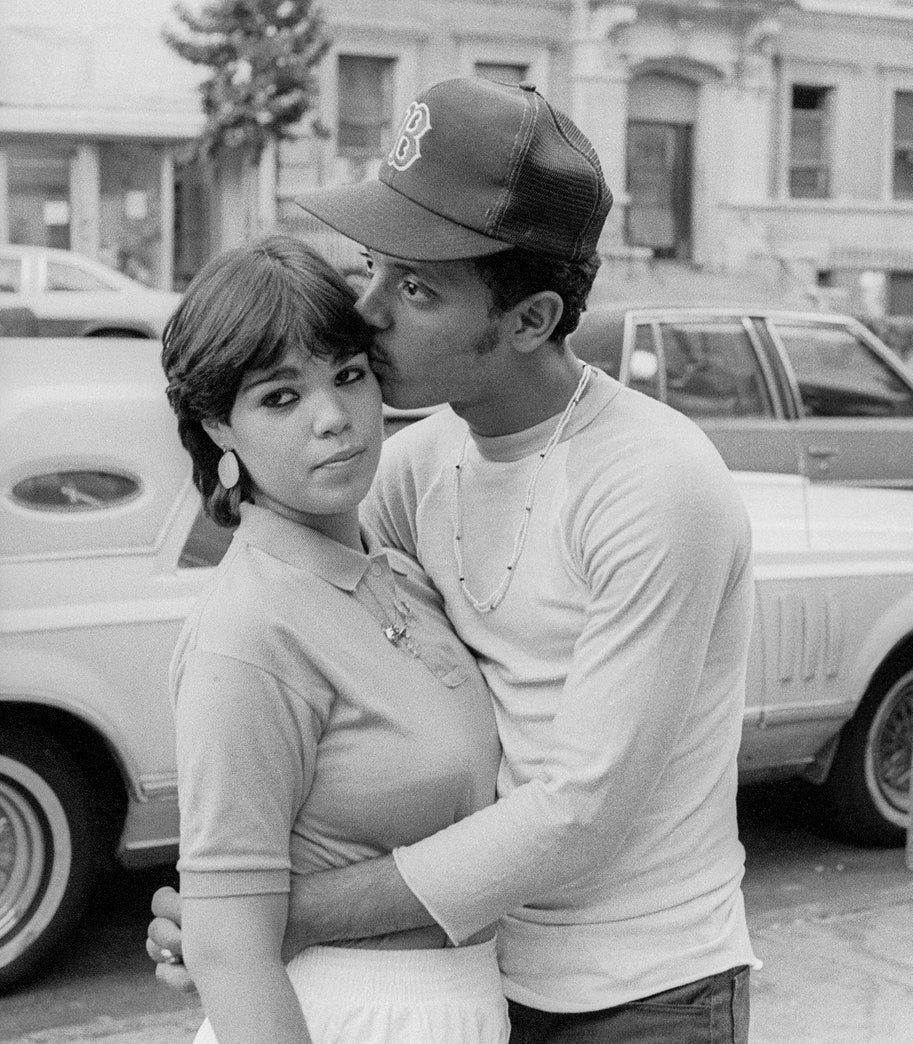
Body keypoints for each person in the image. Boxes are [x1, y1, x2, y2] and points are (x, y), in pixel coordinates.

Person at [150, 77, 758, 1042]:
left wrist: (268, 920)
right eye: (375, 266)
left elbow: (581, 810)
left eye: (417, 286)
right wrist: (233, 915)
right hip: (471, 984)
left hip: (642, 993)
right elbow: (301, 628)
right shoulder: (414, 467)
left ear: (528, 320)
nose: (368, 309)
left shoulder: (654, 482)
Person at [161, 236, 507, 1042]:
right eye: (280, 398)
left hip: (461, 1004)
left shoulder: (399, 574)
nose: (333, 419)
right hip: (341, 1014)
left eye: (349, 376)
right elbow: (228, 951)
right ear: (219, 426)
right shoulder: (247, 629)